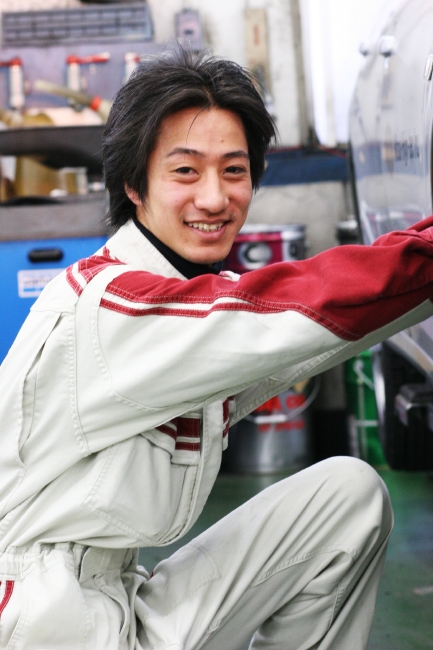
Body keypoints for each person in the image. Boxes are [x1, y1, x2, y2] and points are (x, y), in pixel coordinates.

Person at [1, 46, 433, 650]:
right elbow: (302, 306)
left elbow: (309, 334)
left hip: (114, 601)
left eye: (234, 170)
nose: (214, 198)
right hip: (42, 625)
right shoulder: (112, 307)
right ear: (133, 184)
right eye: (185, 171)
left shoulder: (184, 307)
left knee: (347, 498)